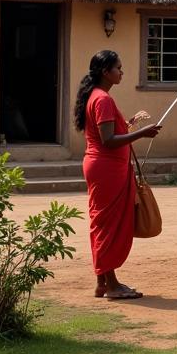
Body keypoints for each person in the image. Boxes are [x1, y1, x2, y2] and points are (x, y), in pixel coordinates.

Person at [74, 50, 161, 300]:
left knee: (103, 224)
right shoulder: (102, 99)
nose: (122, 72)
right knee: (109, 226)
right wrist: (142, 133)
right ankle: (111, 285)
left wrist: (131, 123)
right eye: (118, 68)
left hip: (104, 167)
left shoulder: (97, 97)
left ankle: (103, 282)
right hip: (106, 168)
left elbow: (110, 131)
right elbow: (109, 140)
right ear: (105, 72)